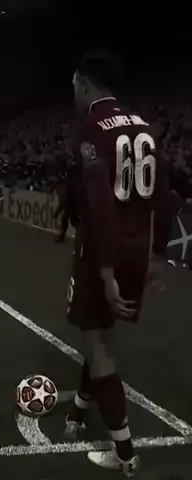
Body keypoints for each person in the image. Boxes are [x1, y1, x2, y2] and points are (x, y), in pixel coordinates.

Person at [64, 49, 173, 477]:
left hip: (102, 251)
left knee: (100, 347)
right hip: (137, 250)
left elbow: (99, 201)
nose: (73, 94)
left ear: (87, 84)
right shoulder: (145, 127)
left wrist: (105, 270)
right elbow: (164, 197)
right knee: (102, 336)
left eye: (75, 86)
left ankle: (124, 454)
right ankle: (79, 407)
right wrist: (158, 255)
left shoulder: (91, 129)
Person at [54, 163, 80, 243]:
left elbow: (63, 200)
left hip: (73, 205)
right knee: (71, 221)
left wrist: (58, 211)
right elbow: (63, 200)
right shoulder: (71, 182)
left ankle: (64, 237)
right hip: (72, 205)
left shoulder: (70, 182)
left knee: (73, 221)